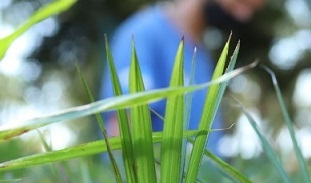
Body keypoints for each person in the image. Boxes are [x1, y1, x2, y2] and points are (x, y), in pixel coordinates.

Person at [99, 0, 267, 150]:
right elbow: (121, 134)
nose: (244, 17)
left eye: (252, 10)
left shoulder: (203, 57)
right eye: (240, 3)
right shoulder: (142, 36)